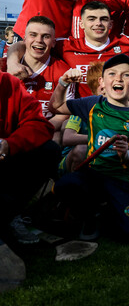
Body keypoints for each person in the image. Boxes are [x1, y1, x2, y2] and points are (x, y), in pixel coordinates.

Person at [49, 54, 129, 242]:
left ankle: (113, 211)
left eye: (126, 75)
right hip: (92, 173)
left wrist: (127, 154)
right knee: (63, 186)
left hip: (121, 178)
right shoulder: (91, 104)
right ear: (102, 82)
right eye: (112, 74)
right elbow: (55, 106)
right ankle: (89, 214)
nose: (119, 79)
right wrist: (63, 83)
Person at [0, 71, 60, 290]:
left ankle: (8, 216)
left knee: (49, 151)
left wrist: (9, 144)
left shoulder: (8, 83)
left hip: (4, 159)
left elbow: (40, 124)